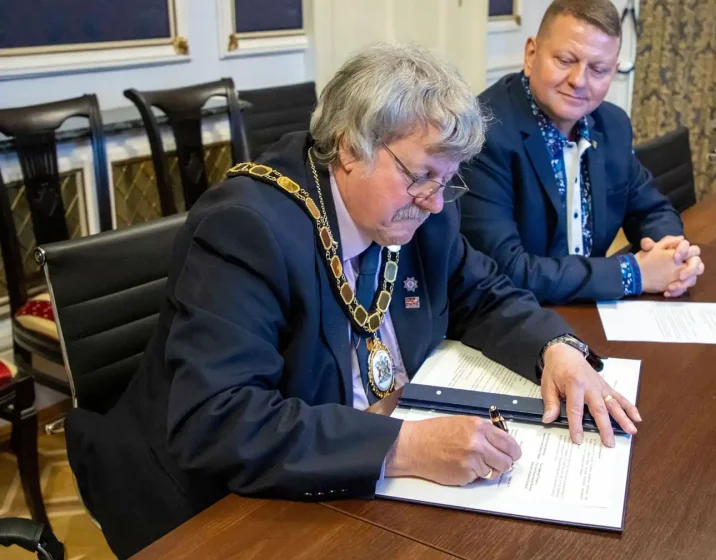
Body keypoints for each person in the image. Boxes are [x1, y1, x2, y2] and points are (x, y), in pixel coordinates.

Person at [65, 43, 641, 558]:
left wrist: (557, 350)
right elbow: (218, 421)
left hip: (358, 482)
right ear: (348, 148)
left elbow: (483, 292)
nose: (436, 203)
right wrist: (405, 447)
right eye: (421, 177)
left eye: (448, 181)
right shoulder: (246, 229)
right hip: (213, 507)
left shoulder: (423, 212)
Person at [459, 0, 705, 305]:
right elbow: (505, 270)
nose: (579, 80)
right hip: (514, 318)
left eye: (598, 69)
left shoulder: (612, 126)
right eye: (565, 60)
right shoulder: (484, 134)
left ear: (613, 72)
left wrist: (672, 254)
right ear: (531, 54)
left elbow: (652, 209)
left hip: (591, 310)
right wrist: (633, 273)